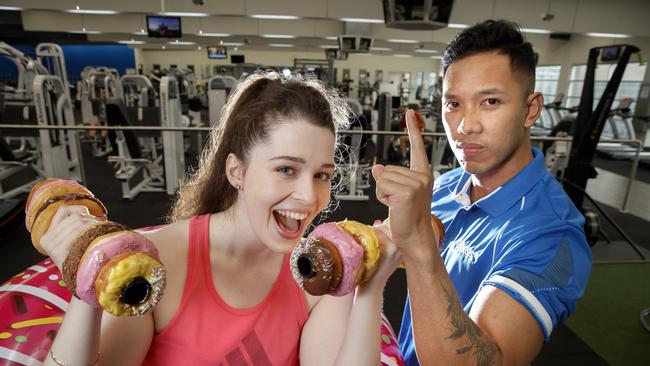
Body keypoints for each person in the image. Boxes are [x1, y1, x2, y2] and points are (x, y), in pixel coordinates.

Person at [40, 72, 400, 365]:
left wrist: (371, 286)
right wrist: (85, 283)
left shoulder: (317, 273)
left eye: (321, 174)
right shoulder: (155, 265)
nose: (309, 196)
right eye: (287, 169)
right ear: (236, 171)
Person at [371, 20, 592, 365]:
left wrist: (418, 246)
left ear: (530, 109)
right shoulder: (444, 188)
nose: (464, 126)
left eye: (490, 101)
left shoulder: (551, 235)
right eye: (453, 104)